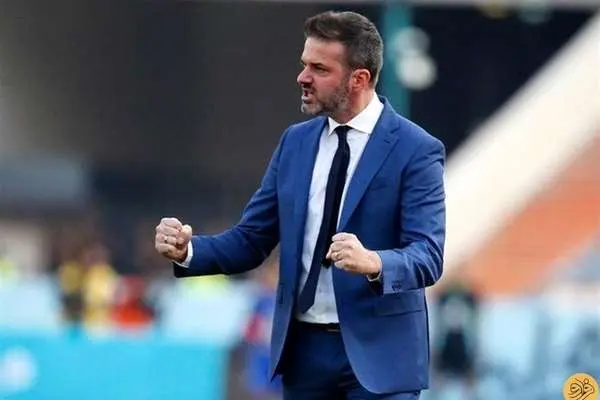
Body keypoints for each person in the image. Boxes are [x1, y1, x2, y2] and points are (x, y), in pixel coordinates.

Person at [155, 10, 446, 399]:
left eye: (319, 68)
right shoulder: (295, 142)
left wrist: (374, 262)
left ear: (359, 79)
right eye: (304, 64)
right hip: (304, 355)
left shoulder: (416, 149)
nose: (302, 77)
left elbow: (428, 255)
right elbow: (251, 239)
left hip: (382, 358)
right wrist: (188, 250)